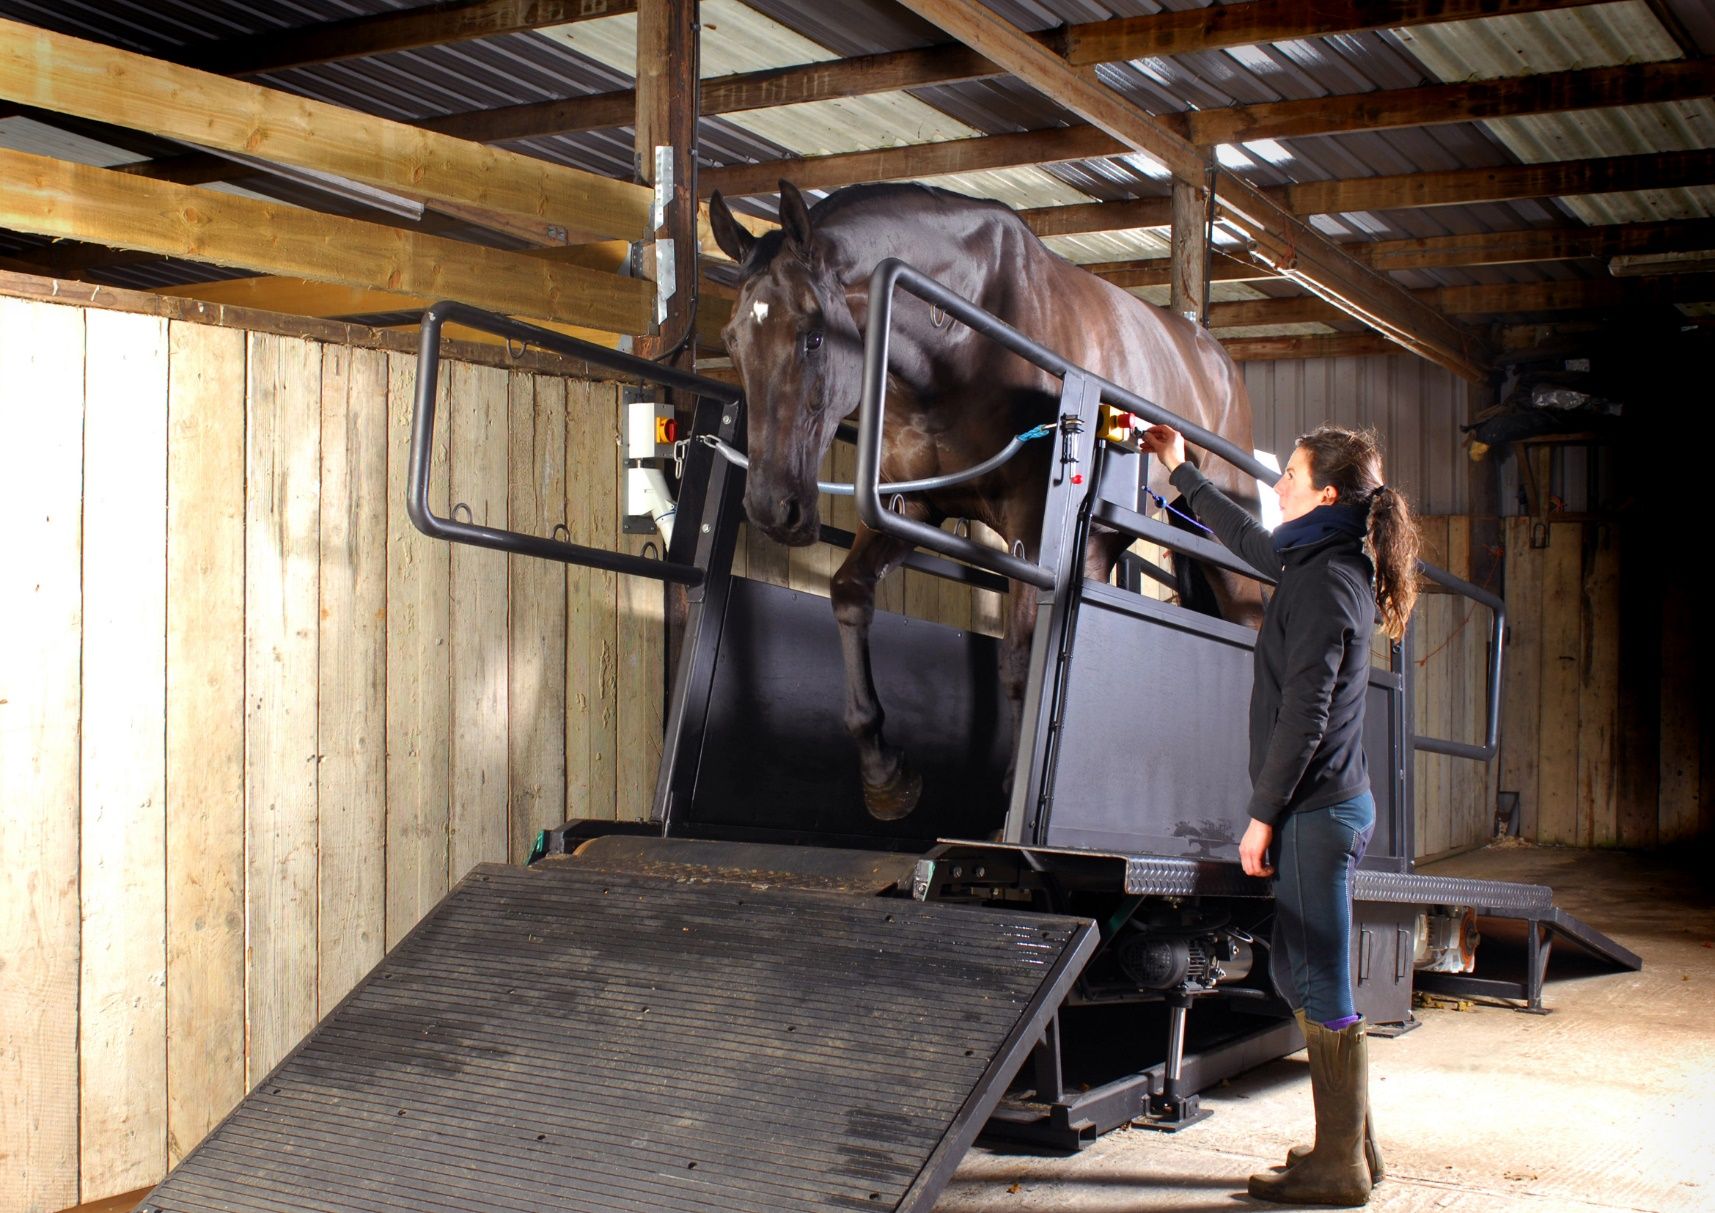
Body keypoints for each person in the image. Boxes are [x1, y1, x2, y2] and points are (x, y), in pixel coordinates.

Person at [1139, 421, 1420, 1209]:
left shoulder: (1330, 583)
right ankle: (1351, 1148)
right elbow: (1251, 542)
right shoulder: (1315, 563)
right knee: (1301, 968)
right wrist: (1178, 470)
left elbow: (1306, 714)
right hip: (1320, 806)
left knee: (1317, 971)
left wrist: (1261, 815)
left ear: (1325, 493)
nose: (1279, 485)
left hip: (1315, 811)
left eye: (1289, 474)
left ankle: (1341, 1167)